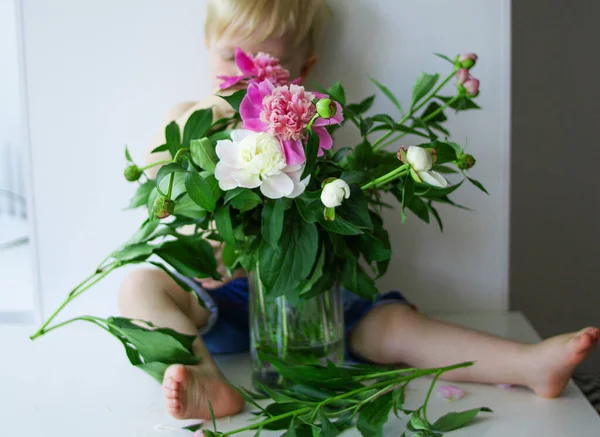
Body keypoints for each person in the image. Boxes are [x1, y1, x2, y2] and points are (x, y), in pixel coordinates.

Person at [118, 0, 599, 421]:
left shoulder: (310, 122)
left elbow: (334, 196)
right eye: (231, 56)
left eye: (271, 66)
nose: (246, 76)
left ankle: (527, 365)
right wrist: (209, 112)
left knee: (390, 326)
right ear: (207, 44)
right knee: (138, 285)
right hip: (217, 298)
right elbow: (157, 168)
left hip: (303, 298)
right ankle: (204, 377)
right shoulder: (190, 116)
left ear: (302, 70)